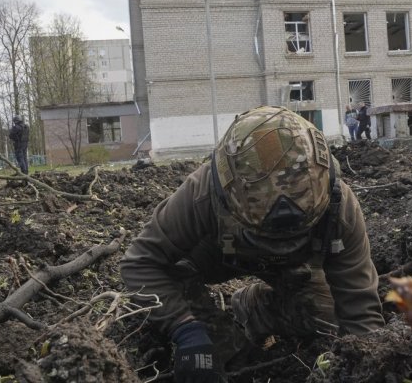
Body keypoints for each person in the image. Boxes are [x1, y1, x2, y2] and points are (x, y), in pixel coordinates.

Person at [119, 106, 384, 382]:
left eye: (293, 235)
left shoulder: (339, 206)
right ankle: (225, 338)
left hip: (295, 265)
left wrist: (368, 366)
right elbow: (140, 262)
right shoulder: (202, 193)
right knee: (220, 355)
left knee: (327, 321)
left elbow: (360, 310)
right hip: (216, 256)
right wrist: (185, 328)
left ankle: (255, 307)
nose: (279, 242)